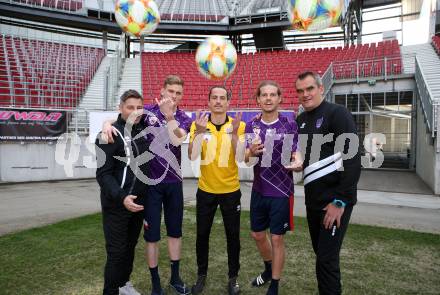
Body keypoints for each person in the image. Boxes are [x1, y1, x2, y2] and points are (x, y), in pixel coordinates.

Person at [103, 75, 192, 295]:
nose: (173, 96)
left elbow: (177, 140)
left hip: (174, 183)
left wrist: (170, 116)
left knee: (175, 232)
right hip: (150, 185)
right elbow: (124, 118)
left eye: (178, 93)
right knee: (151, 236)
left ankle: (175, 277)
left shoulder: (184, 117)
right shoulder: (147, 113)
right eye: (170, 91)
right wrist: (107, 123)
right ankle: (155, 282)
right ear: (162, 91)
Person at [295, 71, 361, 295]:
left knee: (326, 259)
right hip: (313, 202)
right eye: (301, 91)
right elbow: (302, 157)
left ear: (321, 88)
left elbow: (352, 160)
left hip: (335, 203)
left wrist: (340, 201)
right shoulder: (300, 120)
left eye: (310, 89)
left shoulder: (338, 113)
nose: (305, 94)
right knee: (322, 255)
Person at [244, 80, 302, 295]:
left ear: (279, 98)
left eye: (272, 94)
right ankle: (269, 269)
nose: (268, 98)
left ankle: (275, 284)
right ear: (258, 99)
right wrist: (249, 151)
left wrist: (298, 162)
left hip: (281, 190)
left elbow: (295, 152)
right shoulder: (252, 125)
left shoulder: (289, 124)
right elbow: (247, 161)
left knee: (277, 238)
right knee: (258, 235)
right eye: (264, 95)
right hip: (259, 189)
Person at [188, 86, 245, 295]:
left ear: (228, 102)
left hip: (231, 190)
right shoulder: (199, 124)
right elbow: (192, 156)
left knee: (233, 236)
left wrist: (235, 134)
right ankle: (201, 276)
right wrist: (200, 133)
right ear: (209, 101)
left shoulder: (238, 125)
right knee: (202, 235)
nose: (219, 101)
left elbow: (241, 158)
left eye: (223, 98)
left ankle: (233, 278)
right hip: (206, 190)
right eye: (215, 98)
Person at [95, 89, 148, 295]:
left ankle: (124, 284)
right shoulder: (106, 135)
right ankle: (110, 291)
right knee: (116, 253)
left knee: (130, 247)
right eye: (130, 107)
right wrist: (122, 197)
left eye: (139, 107)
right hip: (116, 205)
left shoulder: (143, 128)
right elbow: (103, 175)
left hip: (138, 204)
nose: (135, 112)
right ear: (120, 108)